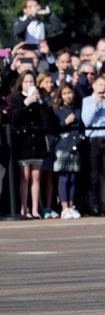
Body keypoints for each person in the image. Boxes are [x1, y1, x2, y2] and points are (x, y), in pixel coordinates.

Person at [8, 71, 53, 219]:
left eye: (32, 82)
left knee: (36, 176)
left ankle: (34, 208)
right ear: (21, 83)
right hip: (23, 142)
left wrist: (39, 102)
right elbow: (14, 117)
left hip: (37, 141)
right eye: (26, 82)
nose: (29, 84)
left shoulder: (39, 99)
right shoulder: (16, 98)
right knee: (25, 176)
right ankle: (24, 207)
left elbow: (46, 118)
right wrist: (26, 102)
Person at [81, 75, 105, 216]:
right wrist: (94, 104)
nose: (103, 87)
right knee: (94, 175)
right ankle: (94, 206)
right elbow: (86, 121)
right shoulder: (87, 100)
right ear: (94, 86)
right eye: (100, 84)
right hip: (93, 141)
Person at [52, 83, 83, 219]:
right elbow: (54, 127)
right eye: (64, 93)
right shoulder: (58, 110)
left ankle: (71, 205)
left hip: (75, 146)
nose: (67, 96)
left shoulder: (77, 109)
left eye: (69, 92)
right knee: (63, 178)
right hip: (62, 146)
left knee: (72, 178)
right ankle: (64, 207)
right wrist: (65, 122)